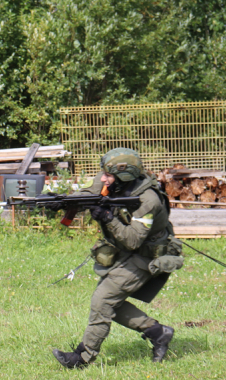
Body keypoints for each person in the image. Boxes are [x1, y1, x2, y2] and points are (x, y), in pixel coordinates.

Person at [53, 147, 181, 368]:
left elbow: (132, 240)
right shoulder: (113, 180)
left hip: (145, 256)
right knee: (110, 303)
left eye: (108, 175)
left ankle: (82, 357)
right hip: (128, 252)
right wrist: (64, 201)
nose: (103, 178)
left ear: (124, 176)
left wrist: (107, 217)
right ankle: (158, 333)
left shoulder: (147, 200)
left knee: (102, 300)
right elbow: (91, 193)